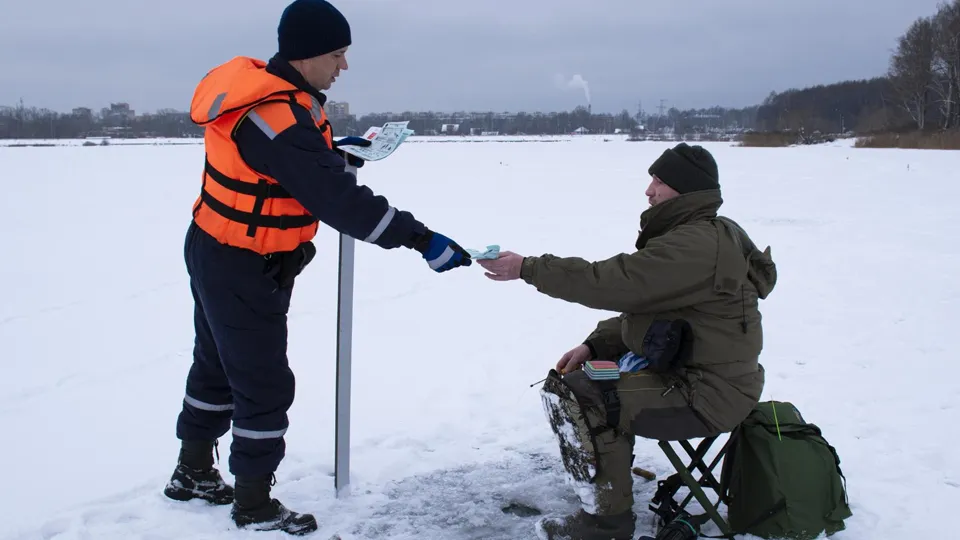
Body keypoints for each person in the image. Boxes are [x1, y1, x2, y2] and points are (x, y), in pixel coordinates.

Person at [161, 0, 472, 535]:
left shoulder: (280, 102)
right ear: (305, 56)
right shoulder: (276, 117)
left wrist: (331, 152)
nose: (343, 66)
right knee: (263, 381)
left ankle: (192, 473)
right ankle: (254, 505)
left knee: (216, 365)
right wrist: (420, 238)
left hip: (222, 247)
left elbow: (296, 164)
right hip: (241, 260)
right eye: (337, 54)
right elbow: (340, 202)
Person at [477, 143, 777, 540]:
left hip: (707, 393)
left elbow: (613, 282)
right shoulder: (700, 235)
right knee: (585, 376)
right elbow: (649, 311)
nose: (649, 190)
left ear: (685, 192)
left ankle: (605, 527)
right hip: (701, 378)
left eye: (660, 181)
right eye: (651, 179)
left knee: (584, 395)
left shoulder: (695, 246)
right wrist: (596, 345)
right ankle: (607, 490)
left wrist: (528, 268)